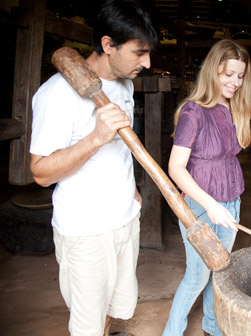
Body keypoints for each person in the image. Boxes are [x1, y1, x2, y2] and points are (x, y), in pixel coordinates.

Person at [29, 1, 158, 335]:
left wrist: (130, 192)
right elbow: (40, 173)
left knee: (115, 306)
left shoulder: (125, 86)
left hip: (125, 218)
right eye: (139, 52)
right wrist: (96, 138)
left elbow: (122, 147)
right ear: (107, 45)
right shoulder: (57, 94)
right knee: (86, 322)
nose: (146, 62)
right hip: (86, 231)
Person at [162, 39, 251, 336]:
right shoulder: (193, 112)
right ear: (213, 70)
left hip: (231, 202)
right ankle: (171, 333)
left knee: (220, 270)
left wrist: (226, 204)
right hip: (201, 206)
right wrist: (211, 205)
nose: (235, 82)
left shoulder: (233, 107)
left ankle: (212, 328)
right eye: (228, 74)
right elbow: (175, 168)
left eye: (240, 76)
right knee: (197, 276)